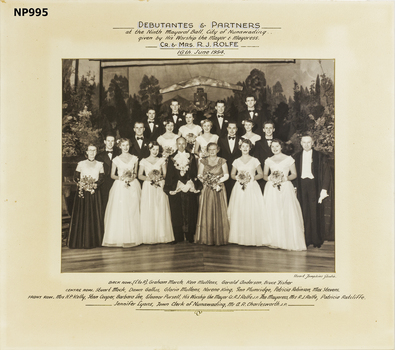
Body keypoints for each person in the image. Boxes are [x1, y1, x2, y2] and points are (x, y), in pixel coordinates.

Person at [262, 139, 306, 251]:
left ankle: (287, 240)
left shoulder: (289, 159)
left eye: (277, 146)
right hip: (272, 188)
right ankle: (274, 239)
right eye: (272, 146)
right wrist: (271, 179)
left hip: (285, 187)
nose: (275, 148)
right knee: (273, 212)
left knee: (286, 211)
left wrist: (284, 178)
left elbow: (294, 174)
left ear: (281, 147)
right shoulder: (268, 160)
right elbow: (264, 175)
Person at [227, 139, 270, 246]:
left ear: (250, 148)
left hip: (252, 187)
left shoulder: (255, 160)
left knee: (252, 210)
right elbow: (232, 174)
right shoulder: (236, 161)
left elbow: (260, 174)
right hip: (239, 188)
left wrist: (250, 178)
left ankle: (252, 237)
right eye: (243, 146)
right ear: (240, 148)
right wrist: (238, 178)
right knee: (240, 210)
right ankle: (239, 237)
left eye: (247, 146)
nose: (245, 148)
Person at [294, 133, 332, 248]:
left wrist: (324, 189)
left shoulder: (320, 156)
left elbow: (326, 174)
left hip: (314, 185)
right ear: (301, 143)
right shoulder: (296, 156)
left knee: (315, 211)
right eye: (304, 142)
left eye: (308, 142)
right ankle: (305, 239)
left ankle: (316, 239)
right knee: (303, 211)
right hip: (301, 185)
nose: (306, 145)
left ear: (313, 143)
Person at [102, 138, 142, 248]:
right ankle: (120, 237)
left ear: (130, 146)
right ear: (120, 146)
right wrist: (122, 178)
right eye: (123, 145)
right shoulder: (116, 159)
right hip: (120, 186)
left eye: (127, 145)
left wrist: (130, 178)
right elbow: (112, 175)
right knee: (121, 210)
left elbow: (135, 173)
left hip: (132, 184)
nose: (125, 147)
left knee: (132, 209)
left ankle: (133, 237)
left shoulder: (135, 158)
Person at [164, 137, 201, 243]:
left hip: (189, 187)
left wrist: (190, 183)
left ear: (186, 144)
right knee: (176, 212)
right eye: (179, 144)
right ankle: (178, 236)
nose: (181, 146)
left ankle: (190, 236)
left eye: (183, 143)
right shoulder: (171, 157)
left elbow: (194, 172)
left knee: (191, 211)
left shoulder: (192, 157)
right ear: (176, 144)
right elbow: (170, 174)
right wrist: (175, 185)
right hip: (177, 187)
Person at [68, 144, 105, 249]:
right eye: (90, 151)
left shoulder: (100, 164)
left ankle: (96, 242)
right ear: (87, 152)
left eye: (94, 150)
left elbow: (102, 178)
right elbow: (76, 177)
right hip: (83, 193)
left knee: (95, 215)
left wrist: (95, 185)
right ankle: (82, 242)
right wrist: (82, 185)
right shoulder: (81, 164)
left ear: (96, 152)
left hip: (94, 193)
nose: (92, 153)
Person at [138, 141, 174, 244]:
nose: (155, 151)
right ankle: (149, 236)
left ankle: (161, 235)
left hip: (159, 186)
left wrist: (159, 178)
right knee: (149, 208)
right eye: (153, 149)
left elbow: (165, 174)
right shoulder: (143, 161)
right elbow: (140, 175)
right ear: (149, 149)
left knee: (160, 208)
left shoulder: (162, 160)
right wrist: (149, 179)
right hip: (148, 186)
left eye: (157, 150)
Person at [195, 143, 230, 245]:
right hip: (207, 188)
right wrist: (207, 181)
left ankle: (219, 237)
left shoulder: (222, 161)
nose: (212, 151)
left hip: (219, 188)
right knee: (207, 210)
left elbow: (227, 174)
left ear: (217, 150)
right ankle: (207, 237)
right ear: (207, 150)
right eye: (210, 149)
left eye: (214, 149)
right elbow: (199, 175)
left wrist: (217, 181)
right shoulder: (203, 161)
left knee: (219, 211)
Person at [217, 121, 242, 201]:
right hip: (225, 169)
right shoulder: (221, 140)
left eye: (234, 128)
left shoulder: (242, 140)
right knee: (226, 192)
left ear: (237, 129)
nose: (231, 130)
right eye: (230, 128)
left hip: (237, 170)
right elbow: (219, 155)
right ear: (227, 129)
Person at [95, 132, 119, 214]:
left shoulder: (119, 154)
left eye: (112, 141)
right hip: (104, 184)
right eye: (108, 141)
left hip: (116, 183)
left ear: (115, 142)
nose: (110, 143)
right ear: (105, 142)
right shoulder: (99, 156)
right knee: (104, 205)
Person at [253, 120, 275, 192]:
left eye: (270, 128)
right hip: (263, 172)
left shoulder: (278, 142)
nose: (268, 130)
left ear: (273, 129)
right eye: (266, 128)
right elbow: (256, 159)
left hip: (274, 172)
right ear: (263, 129)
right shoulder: (258, 143)